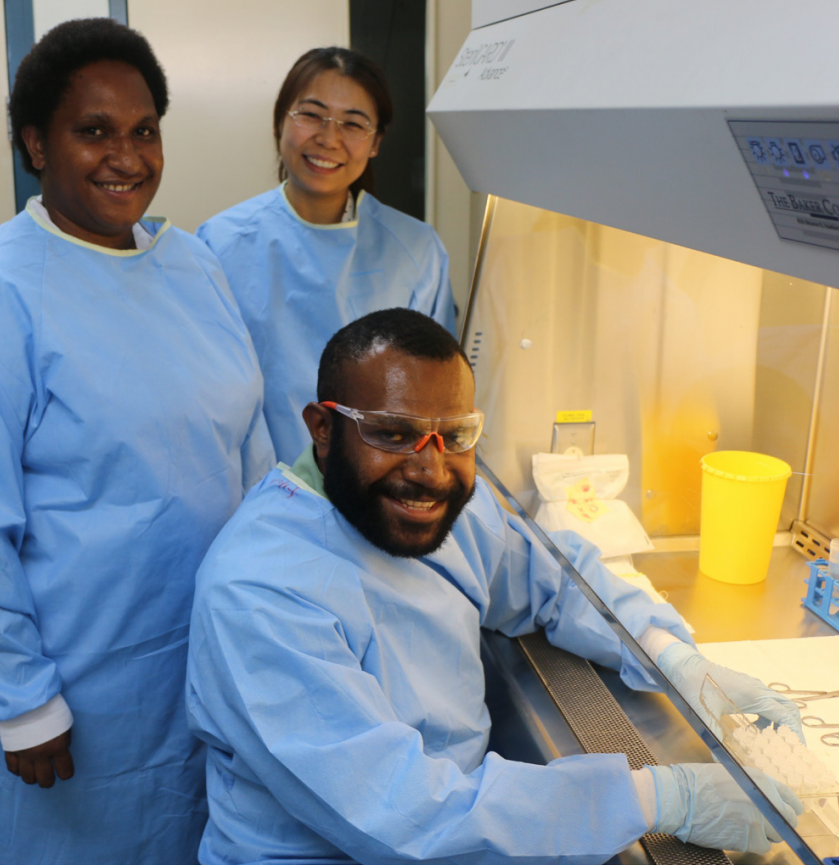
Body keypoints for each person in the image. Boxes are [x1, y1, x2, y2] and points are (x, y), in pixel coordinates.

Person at [187, 308, 804, 865]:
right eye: (392, 434)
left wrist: (671, 656)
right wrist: (660, 798)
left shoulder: (448, 508)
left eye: (454, 436)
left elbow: (555, 579)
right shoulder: (260, 591)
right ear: (323, 429)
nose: (429, 470)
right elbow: (402, 813)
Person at [0, 19, 274, 865]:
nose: (126, 156)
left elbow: (253, 455)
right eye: (93, 132)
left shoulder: (192, 265)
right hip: (69, 687)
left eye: (144, 130)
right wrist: (22, 699)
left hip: (199, 661)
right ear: (34, 144)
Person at [197, 47, 457, 464]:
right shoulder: (220, 243)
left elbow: (433, 395)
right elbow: (205, 394)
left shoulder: (416, 250)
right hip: (254, 488)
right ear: (280, 120)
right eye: (311, 115)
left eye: (353, 123)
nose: (329, 138)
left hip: (377, 483)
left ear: (376, 143)